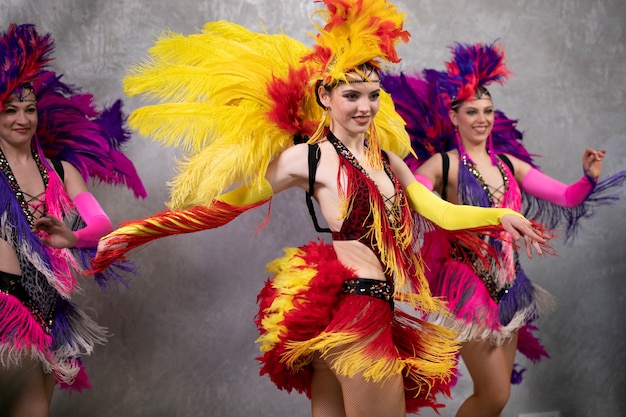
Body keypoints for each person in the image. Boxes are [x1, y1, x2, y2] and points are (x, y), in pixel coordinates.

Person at [92, 3, 549, 416]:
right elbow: (224, 207)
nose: (365, 106)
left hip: (369, 309)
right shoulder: (308, 158)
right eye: (351, 95)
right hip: (356, 309)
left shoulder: (387, 160)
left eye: (372, 94)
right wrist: (135, 232)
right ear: (325, 97)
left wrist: (500, 216)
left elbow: (440, 212)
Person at [382, 41, 625, 417]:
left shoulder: (510, 165)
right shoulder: (441, 165)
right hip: (468, 286)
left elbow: (566, 197)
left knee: (497, 399)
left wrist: (588, 178)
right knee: (493, 394)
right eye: (472, 111)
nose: (482, 118)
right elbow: (414, 199)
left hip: (511, 286)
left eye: (488, 111)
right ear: (455, 116)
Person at [0, 24, 146, 416]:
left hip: (48, 315)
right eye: (10, 109)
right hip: (5, 307)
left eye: (29, 109)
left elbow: (101, 227)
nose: (22, 119)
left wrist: (70, 236)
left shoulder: (63, 173)